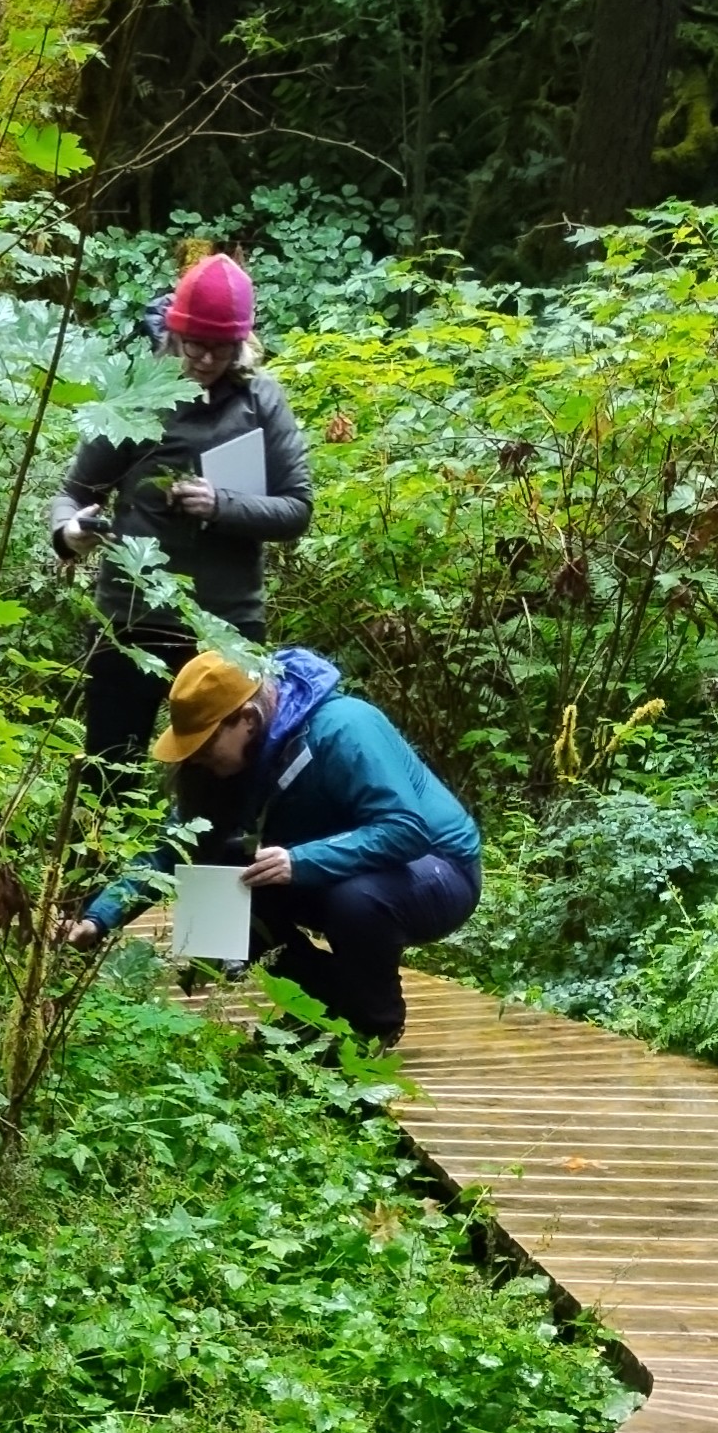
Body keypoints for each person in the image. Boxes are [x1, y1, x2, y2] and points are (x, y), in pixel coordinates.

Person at [63, 646, 482, 1048]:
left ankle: (374, 1024)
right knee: (230, 881)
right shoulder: (229, 765)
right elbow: (171, 849)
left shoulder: (344, 727)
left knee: (354, 900)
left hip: (437, 870)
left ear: (246, 718)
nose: (196, 758)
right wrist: (99, 919)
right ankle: (326, 1006)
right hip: (342, 869)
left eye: (205, 744)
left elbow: (405, 829)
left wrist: (300, 860)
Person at [53, 251, 314, 794]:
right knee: (109, 777)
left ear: (241, 343)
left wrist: (222, 504)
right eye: (195, 344)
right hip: (129, 619)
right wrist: (69, 532)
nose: (206, 358)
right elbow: (75, 492)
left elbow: (296, 509)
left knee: (219, 785)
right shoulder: (136, 396)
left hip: (226, 627)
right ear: (173, 335)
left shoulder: (261, 400)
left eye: (221, 347)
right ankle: (99, 852)